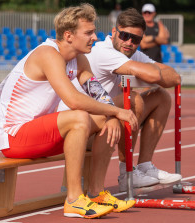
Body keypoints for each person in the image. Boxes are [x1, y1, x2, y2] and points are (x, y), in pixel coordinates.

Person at [0, 4, 137, 219]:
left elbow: (96, 92)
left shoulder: (79, 59)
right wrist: (116, 111)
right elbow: (73, 99)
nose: (95, 37)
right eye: (88, 33)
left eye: (94, 32)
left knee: (108, 120)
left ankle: (96, 193)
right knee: (80, 117)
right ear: (69, 35)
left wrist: (111, 115)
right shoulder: (47, 54)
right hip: (15, 136)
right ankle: (73, 200)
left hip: (42, 133)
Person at [58, 8, 182, 193]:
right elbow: (155, 74)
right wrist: (151, 73)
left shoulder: (131, 53)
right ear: (114, 32)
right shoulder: (103, 51)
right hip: (80, 124)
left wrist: (150, 73)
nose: (129, 43)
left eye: (136, 40)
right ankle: (127, 172)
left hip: (104, 115)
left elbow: (175, 77)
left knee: (161, 97)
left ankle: (144, 165)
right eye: (125, 36)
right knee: (132, 100)